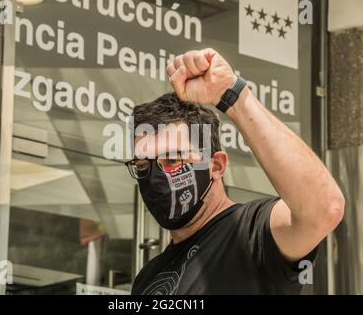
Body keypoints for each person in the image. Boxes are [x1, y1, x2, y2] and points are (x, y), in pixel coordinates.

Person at [124, 48, 345, 294]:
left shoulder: (251, 232)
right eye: (143, 166)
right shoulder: (148, 277)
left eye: (173, 160)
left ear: (216, 165)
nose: (156, 177)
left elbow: (325, 208)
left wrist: (231, 94)